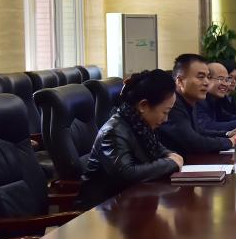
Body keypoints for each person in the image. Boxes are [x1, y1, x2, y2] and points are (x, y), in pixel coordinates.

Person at [78, 69, 184, 208]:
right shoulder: (113, 131)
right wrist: (170, 163)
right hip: (101, 210)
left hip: (129, 203)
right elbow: (127, 174)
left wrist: (169, 154)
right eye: (165, 112)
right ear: (143, 105)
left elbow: (157, 147)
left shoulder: (139, 123)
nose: (166, 119)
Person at [158, 54, 236, 156]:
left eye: (208, 77)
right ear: (180, 81)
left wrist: (228, 134)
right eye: (201, 77)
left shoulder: (190, 100)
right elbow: (193, 142)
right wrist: (230, 142)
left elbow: (198, 132)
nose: (206, 82)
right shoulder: (172, 104)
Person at [197, 61, 236, 133]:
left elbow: (225, 117)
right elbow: (207, 126)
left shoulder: (214, 99)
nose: (226, 84)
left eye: (226, 80)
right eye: (221, 79)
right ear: (207, 79)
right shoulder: (199, 99)